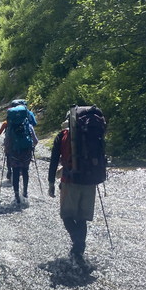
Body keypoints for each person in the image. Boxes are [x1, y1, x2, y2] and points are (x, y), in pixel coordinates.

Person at [48, 112, 99, 263]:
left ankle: (77, 246)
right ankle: (79, 252)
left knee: (67, 216)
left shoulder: (62, 136)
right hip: (90, 181)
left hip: (70, 181)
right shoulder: (93, 133)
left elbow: (54, 161)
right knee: (81, 218)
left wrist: (51, 182)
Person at [0, 99, 37, 199]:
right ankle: (25, 192)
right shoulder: (28, 126)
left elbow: (2, 136)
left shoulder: (7, 124)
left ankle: (16, 194)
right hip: (26, 151)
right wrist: (31, 147)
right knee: (25, 170)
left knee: (15, 171)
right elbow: (36, 141)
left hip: (13, 152)